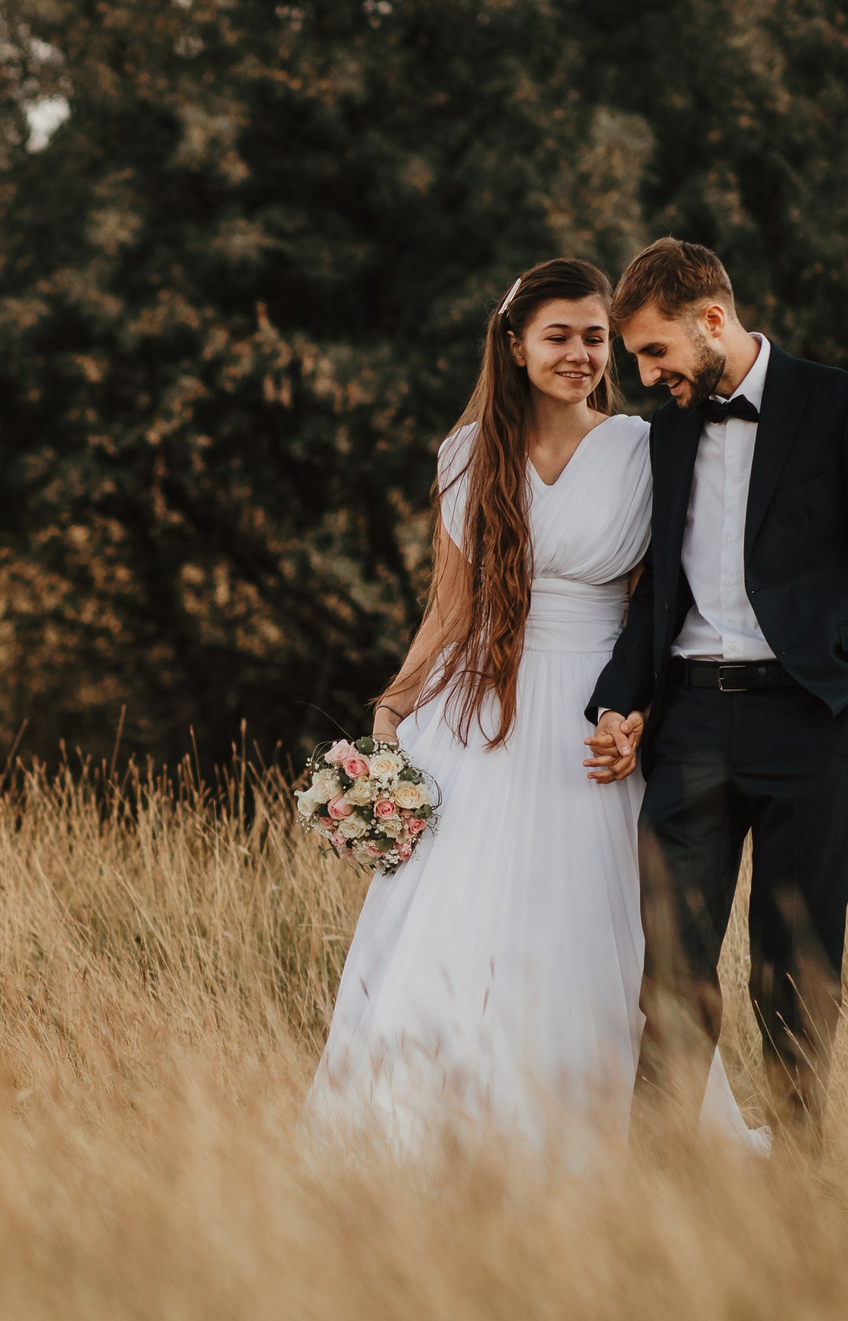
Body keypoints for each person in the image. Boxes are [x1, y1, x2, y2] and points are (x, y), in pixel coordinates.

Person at [305, 258, 767, 1161]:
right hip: (478, 714)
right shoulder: (467, 455)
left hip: (594, 716)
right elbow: (450, 609)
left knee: (591, 928)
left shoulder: (642, 448)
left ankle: (600, 1141)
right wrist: (390, 714)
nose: (581, 354)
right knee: (455, 924)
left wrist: (637, 715)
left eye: (595, 338)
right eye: (559, 336)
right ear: (515, 345)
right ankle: (447, 1135)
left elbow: (656, 608)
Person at [584, 239, 848, 1147]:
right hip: (691, 723)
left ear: (712, 319)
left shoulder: (842, 403)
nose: (646, 375)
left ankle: (798, 1180)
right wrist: (619, 700)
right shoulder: (668, 429)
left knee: (795, 969)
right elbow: (655, 592)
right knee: (672, 970)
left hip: (811, 722)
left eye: (655, 351)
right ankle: (657, 1184)